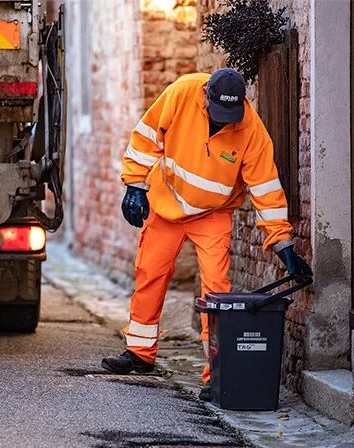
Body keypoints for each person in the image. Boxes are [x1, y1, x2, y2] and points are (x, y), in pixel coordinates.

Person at [101, 68, 312, 401]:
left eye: (230, 117)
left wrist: (284, 246)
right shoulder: (182, 92)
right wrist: (134, 185)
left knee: (217, 290)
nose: (223, 123)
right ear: (205, 96)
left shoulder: (251, 131)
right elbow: (146, 139)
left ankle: (217, 373)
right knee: (149, 274)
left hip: (213, 214)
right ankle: (140, 352)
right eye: (217, 115)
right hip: (167, 204)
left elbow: (266, 191)